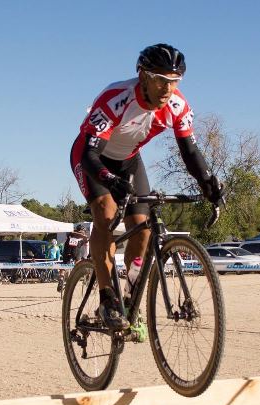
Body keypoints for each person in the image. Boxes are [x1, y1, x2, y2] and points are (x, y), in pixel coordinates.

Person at [69, 43, 223, 329]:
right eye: (161, 80)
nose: (168, 88)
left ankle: (130, 290)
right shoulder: (116, 98)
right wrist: (108, 180)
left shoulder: (177, 105)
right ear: (142, 76)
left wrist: (207, 183)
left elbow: (189, 151)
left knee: (143, 230)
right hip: (92, 158)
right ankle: (107, 299)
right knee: (104, 213)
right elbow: (90, 153)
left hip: (128, 161)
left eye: (174, 81)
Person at [57, 225, 90, 292]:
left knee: (64, 265)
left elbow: (72, 234)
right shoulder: (81, 237)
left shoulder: (70, 234)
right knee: (78, 263)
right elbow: (86, 243)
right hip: (76, 251)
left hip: (67, 251)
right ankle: (73, 276)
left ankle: (61, 277)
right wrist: (83, 236)